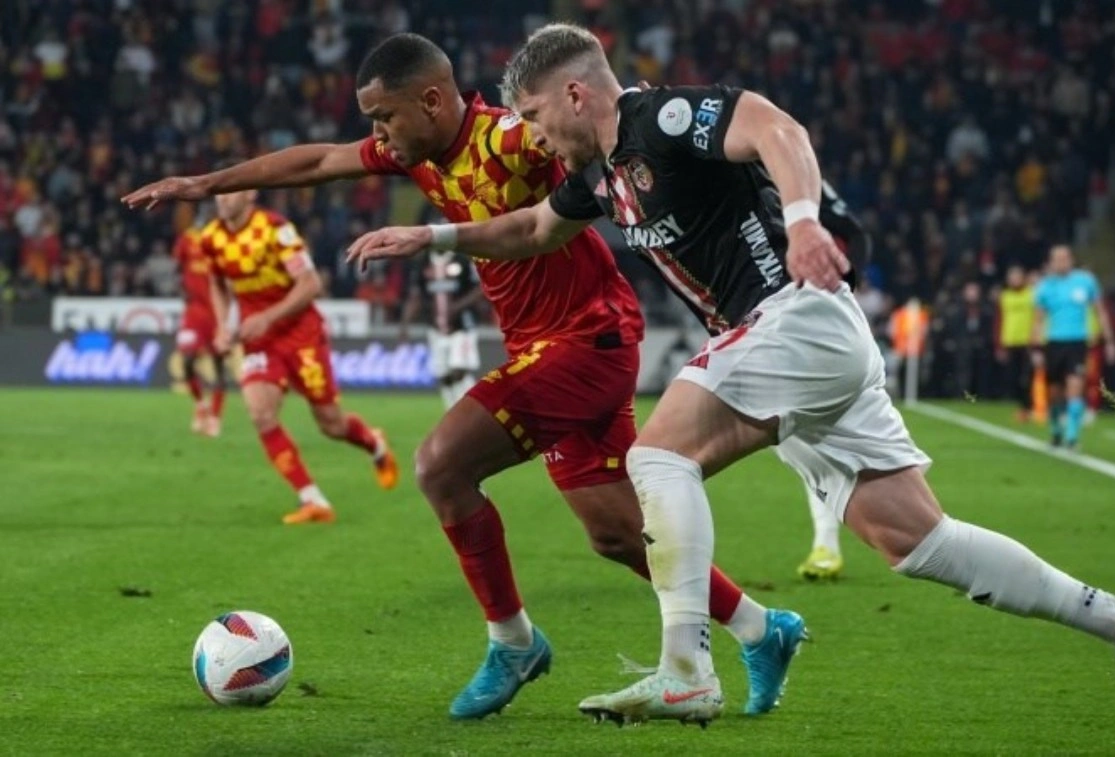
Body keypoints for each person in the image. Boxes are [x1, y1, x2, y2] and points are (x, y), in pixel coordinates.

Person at [346, 23, 1115, 726]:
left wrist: (803, 221)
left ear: (574, 94)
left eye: (533, 115)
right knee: (916, 541)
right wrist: (434, 237)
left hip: (794, 317)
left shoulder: (659, 117)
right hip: (796, 343)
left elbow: (779, 129)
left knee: (657, 456)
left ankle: (686, 669)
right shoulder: (602, 175)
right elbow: (533, 229)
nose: (530, 136)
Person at [123, 33, 796, 720]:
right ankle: (760, 628)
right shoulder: (414, 154)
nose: (377, 135)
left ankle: (513, 641)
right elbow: (320, 161)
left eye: (384, 117)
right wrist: (206, 184)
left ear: (432, 101)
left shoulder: (513, 137)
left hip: (586, 339)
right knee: (617, 533)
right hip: (550, 345)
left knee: (441, 465)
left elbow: (592, 133)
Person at [203, 191, 398, 523]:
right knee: (261, 414)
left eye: (230, 191)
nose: (222, 200)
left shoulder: (275, 230)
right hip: (259, 340)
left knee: (331, 424)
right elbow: (217, 282)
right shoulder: (211, 237)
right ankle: (312, 499)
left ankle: (374, 443)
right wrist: (223, 325)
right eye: (219, 194)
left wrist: (268, 317)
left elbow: (310, 285)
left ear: (250, 193)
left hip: (301, 335)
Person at [793, 180, 871, 581]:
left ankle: (828, 542)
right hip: (781, 317)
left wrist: (846, 285)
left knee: (805, 437)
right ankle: (827, 541)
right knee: (801, 439)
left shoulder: (799, 177)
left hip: (816, 316)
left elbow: (854, 232)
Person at [1033, 245, 1115, 450]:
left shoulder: (1085, 281)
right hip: (1053, 342)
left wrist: (1109, 340)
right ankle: (1056, 430)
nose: (1061, 262)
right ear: (1051, 262)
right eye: (1057, 259)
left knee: (1075, 387)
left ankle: (1072, 436)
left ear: (1071, 260)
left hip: (1077, 342)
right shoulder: (1045, 286)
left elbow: (1100, 311)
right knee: (1054, 392)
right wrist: (1035, 348)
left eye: (1064, 258)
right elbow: (1038, 319)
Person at [400, 246, 484, 408]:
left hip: (462, 326)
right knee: (444, 376)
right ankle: (452, 411)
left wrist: (458, 306)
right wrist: (405, 325)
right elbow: (416, 296)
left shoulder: (461, 260)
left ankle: (471, 409)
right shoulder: (423, 262)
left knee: (459, 370)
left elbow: (480, 288)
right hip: (435, 328)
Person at [172, 224, 228, 436]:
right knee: (187, 360)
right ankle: (201, 405)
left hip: (217, 312)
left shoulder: (224, 240)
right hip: (194, 311)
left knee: (219, 365)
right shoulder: (187, 239)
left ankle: (215, 418)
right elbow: (176, 269)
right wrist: (182, 290)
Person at [997, 265, 1035, 422]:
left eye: (1017, 277)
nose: (1014, 280)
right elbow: (1000, 320)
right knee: (1014, 377)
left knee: (1027, 377)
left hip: (1027, 342)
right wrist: (1000, 343)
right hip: (1010, 341)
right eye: (1011, 277)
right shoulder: (1005, 296)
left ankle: (1030, 407)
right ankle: (1022, 406)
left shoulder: (1032, 294)